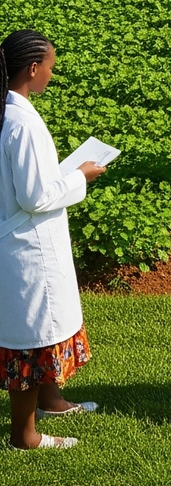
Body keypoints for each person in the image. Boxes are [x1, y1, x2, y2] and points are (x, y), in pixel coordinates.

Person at [1, 30, 108, 451]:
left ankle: (51, 399)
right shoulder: (21, 123)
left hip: (19, 238)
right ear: (32, 68)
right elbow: (34, 196)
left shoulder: (10, 114)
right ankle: (25, 434)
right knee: (30, 337)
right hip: (27, 247)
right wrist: (79, 176)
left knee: (42, 327)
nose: (51, 73)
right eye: (50, 66)